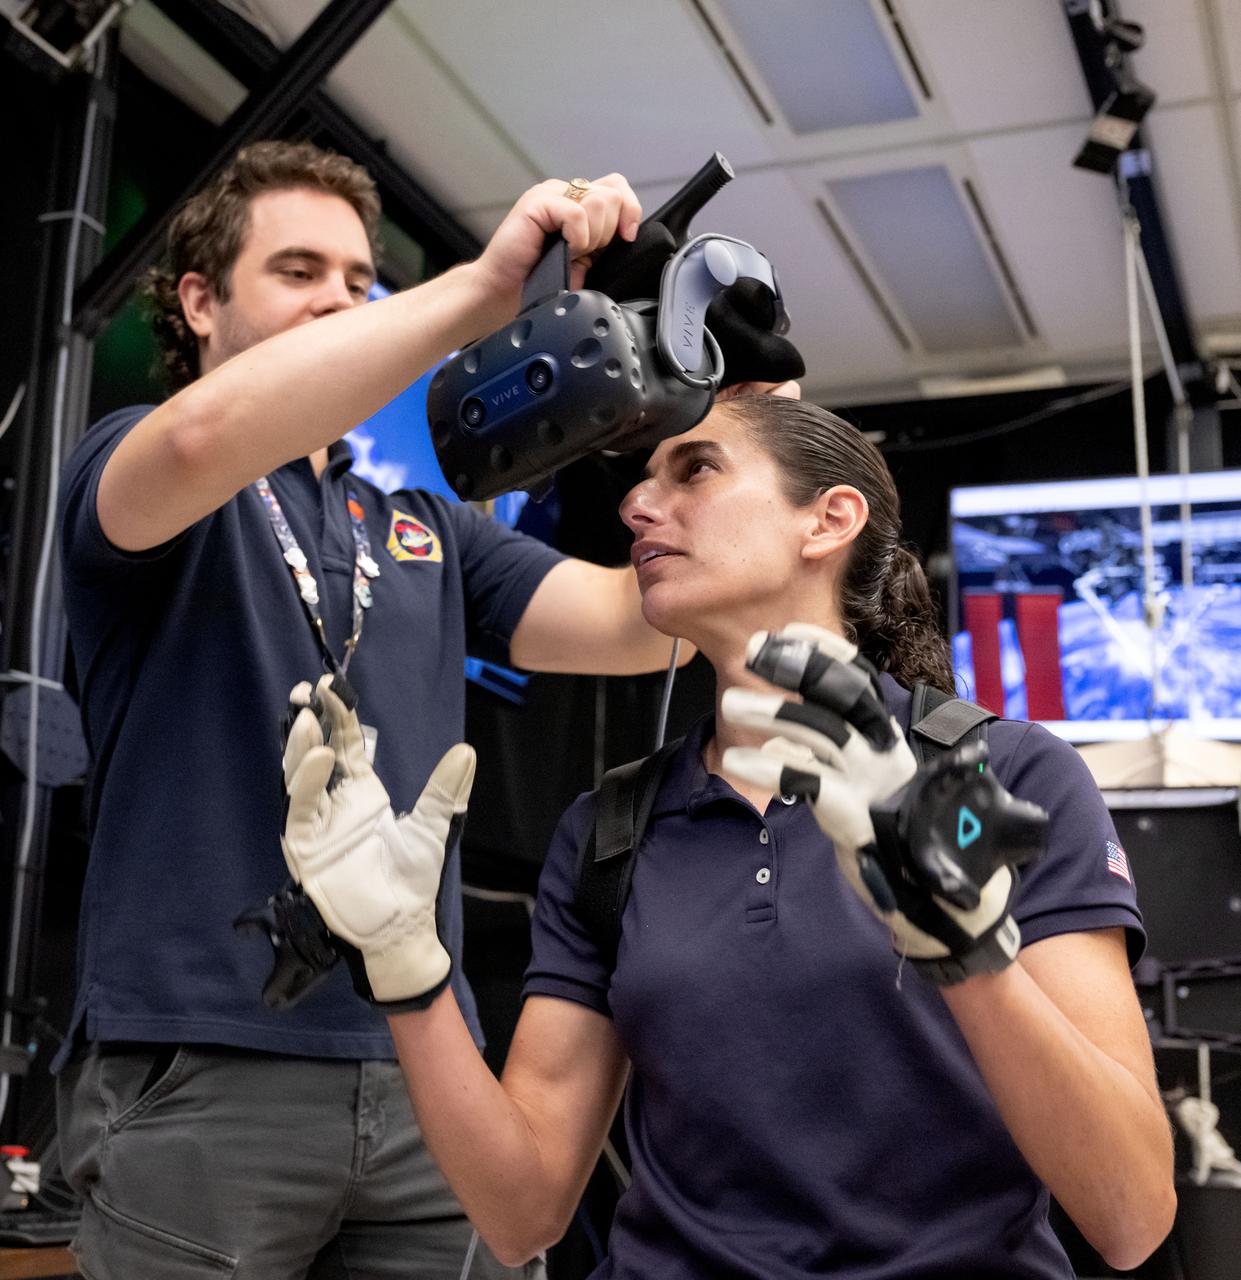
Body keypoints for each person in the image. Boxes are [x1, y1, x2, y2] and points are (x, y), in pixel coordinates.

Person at [280, 393, 1177, 1279]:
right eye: (639, 482)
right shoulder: (610, 833)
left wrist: (960, 942)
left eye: (695, 468)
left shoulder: (1004, 776)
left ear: (828, 521)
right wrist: (407, 972)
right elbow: (520, 1219)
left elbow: (1130, 1215)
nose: (635, 504)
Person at [55, 139, 715, 1280]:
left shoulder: (423, 525)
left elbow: (633, 621)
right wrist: (476, 293)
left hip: (430, 1066)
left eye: (359, 282)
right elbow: (211, 433)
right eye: (299, 271)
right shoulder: (132, 463)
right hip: (203, 1065)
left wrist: (700, 390)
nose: (338, 302)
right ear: (200, 301)